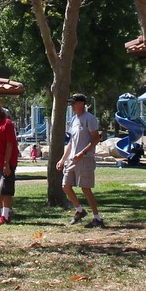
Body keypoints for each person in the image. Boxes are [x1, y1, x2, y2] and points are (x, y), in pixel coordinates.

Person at [59, 93, 104, 227]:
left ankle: (97, 218)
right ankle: (79, 210)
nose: (72, 105)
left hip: (85, 159)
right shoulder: (73, 120)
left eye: (74, 103)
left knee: (85, 188)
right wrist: (62, 159)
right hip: (72, 159)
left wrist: (83, 152)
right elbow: (71, 142)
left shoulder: (89, 118)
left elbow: (96, 138)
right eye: (71, 103)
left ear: (82, 104)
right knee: (66, 186)